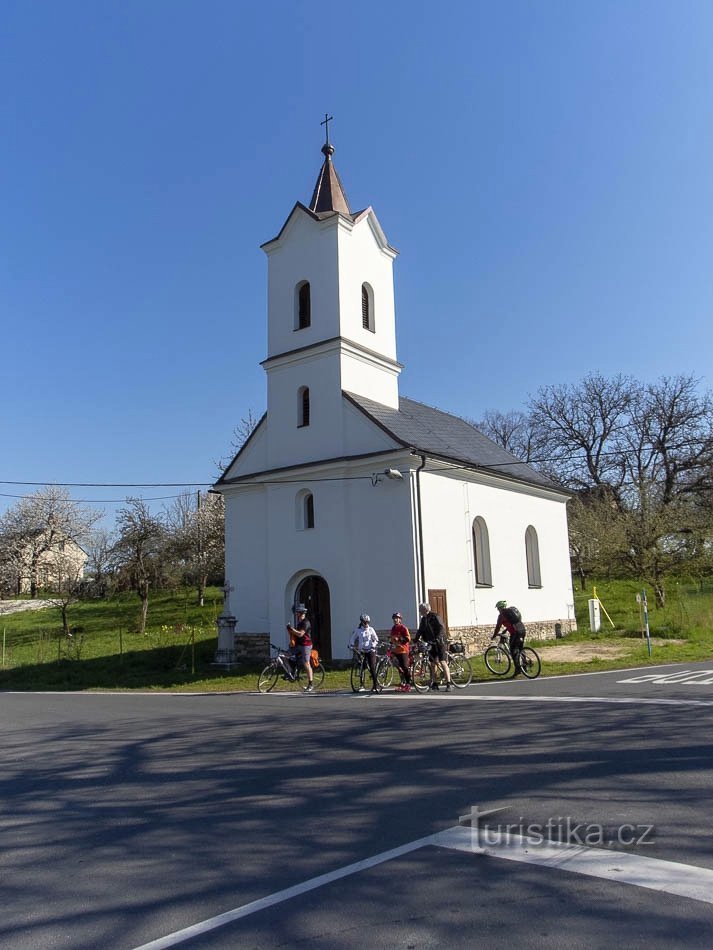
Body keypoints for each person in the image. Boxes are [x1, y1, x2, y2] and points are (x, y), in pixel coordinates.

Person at [417, 602, 452, 691]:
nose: (420, 611)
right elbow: (420, 630)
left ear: (426, 609)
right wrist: (415, 639)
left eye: (421, 610)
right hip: (430, 643)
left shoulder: (435, 616)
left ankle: (449, 684)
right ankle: (435, 683)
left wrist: (437, 638)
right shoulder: (423, 620)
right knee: (433, 664)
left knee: (442, 662)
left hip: (440, 642)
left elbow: (441, 628)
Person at [492, 600, 527, 675]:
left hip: (516, 633)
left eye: (498, 608)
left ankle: (518, 670)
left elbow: (498, 627)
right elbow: (513, 623)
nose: (498, 610)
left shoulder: (502, 615)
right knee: (520, 648)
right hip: (522, 629)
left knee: (513, 650)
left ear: (500, 608)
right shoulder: (512, 612)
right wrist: (505, 630)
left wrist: (494, 635)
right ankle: (525, 666)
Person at [348, 613, 380, 692]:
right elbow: (352, 639)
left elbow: (376, 639)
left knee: (372, 667)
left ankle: (375, 685)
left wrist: (373, 645)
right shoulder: (358, 630)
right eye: (365, 622)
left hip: (370, 650)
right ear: (361, 622)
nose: (366, 624)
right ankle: (361, 684)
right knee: (361, 667)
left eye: (367, 622)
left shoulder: (371, 629)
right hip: (361, 651)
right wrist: (351, 645)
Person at [286, 605, 314, 692]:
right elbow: (295, 634)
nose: (297, 615)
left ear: (302, 614)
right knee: (285, 655)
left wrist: (292, 629)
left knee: (306, 663)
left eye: (298, 613)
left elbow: (300, 634)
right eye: (297, 613)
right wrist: (290, 632)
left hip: (306, 645)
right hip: (298, 645)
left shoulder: (306, 622)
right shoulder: (299, 622)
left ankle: (310, 684)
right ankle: (291, 672)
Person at [389, 611, 412, 691]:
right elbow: (392, 639)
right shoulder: (393, 628)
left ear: (400, 619)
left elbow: (408, 639)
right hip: (395, 650)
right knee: (398, 667)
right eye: (394, 618)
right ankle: (403, 682)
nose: (395, 620)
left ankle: (408, 684)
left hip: (403, 650)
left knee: (405, 667)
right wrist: (390, 644)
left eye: (397, 618)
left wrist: (399, 639)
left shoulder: (403, 628)